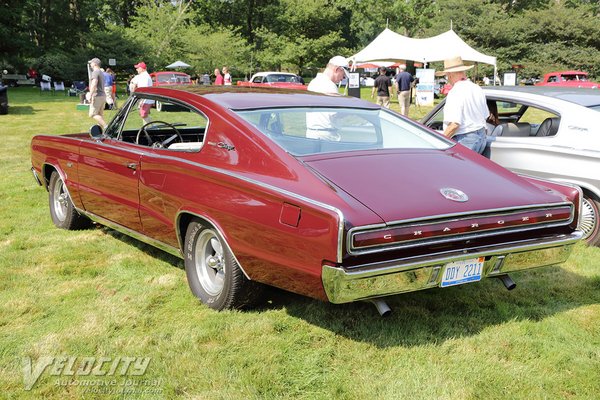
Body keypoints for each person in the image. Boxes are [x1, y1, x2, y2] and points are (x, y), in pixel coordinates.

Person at [438, 56, 489, 154]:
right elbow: (485, 115)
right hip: (481, 136)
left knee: (458, 169)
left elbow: (454, 124)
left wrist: (441, 141)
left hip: (465, 138)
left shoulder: (455, 92)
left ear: (450, 74)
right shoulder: (477, 88)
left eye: (446, 76)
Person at [305, 56, 349, 140]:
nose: (343, 78)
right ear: (337, 69)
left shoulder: (313, 82)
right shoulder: (330, 86)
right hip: (327, 135)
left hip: (312, 132)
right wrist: (350, 110)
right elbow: (335, 113)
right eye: (343, 75)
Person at [87, 58, 107, 129]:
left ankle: (106, 127)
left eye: (91, 63)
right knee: (100, 115)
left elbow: (94, 83)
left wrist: (90, 95)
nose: (90, 64)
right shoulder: (101, 72)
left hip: (97, 95)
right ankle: (100, 133)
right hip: (103, 95)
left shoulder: (95, 72)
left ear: (95, 64)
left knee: (92, 114)